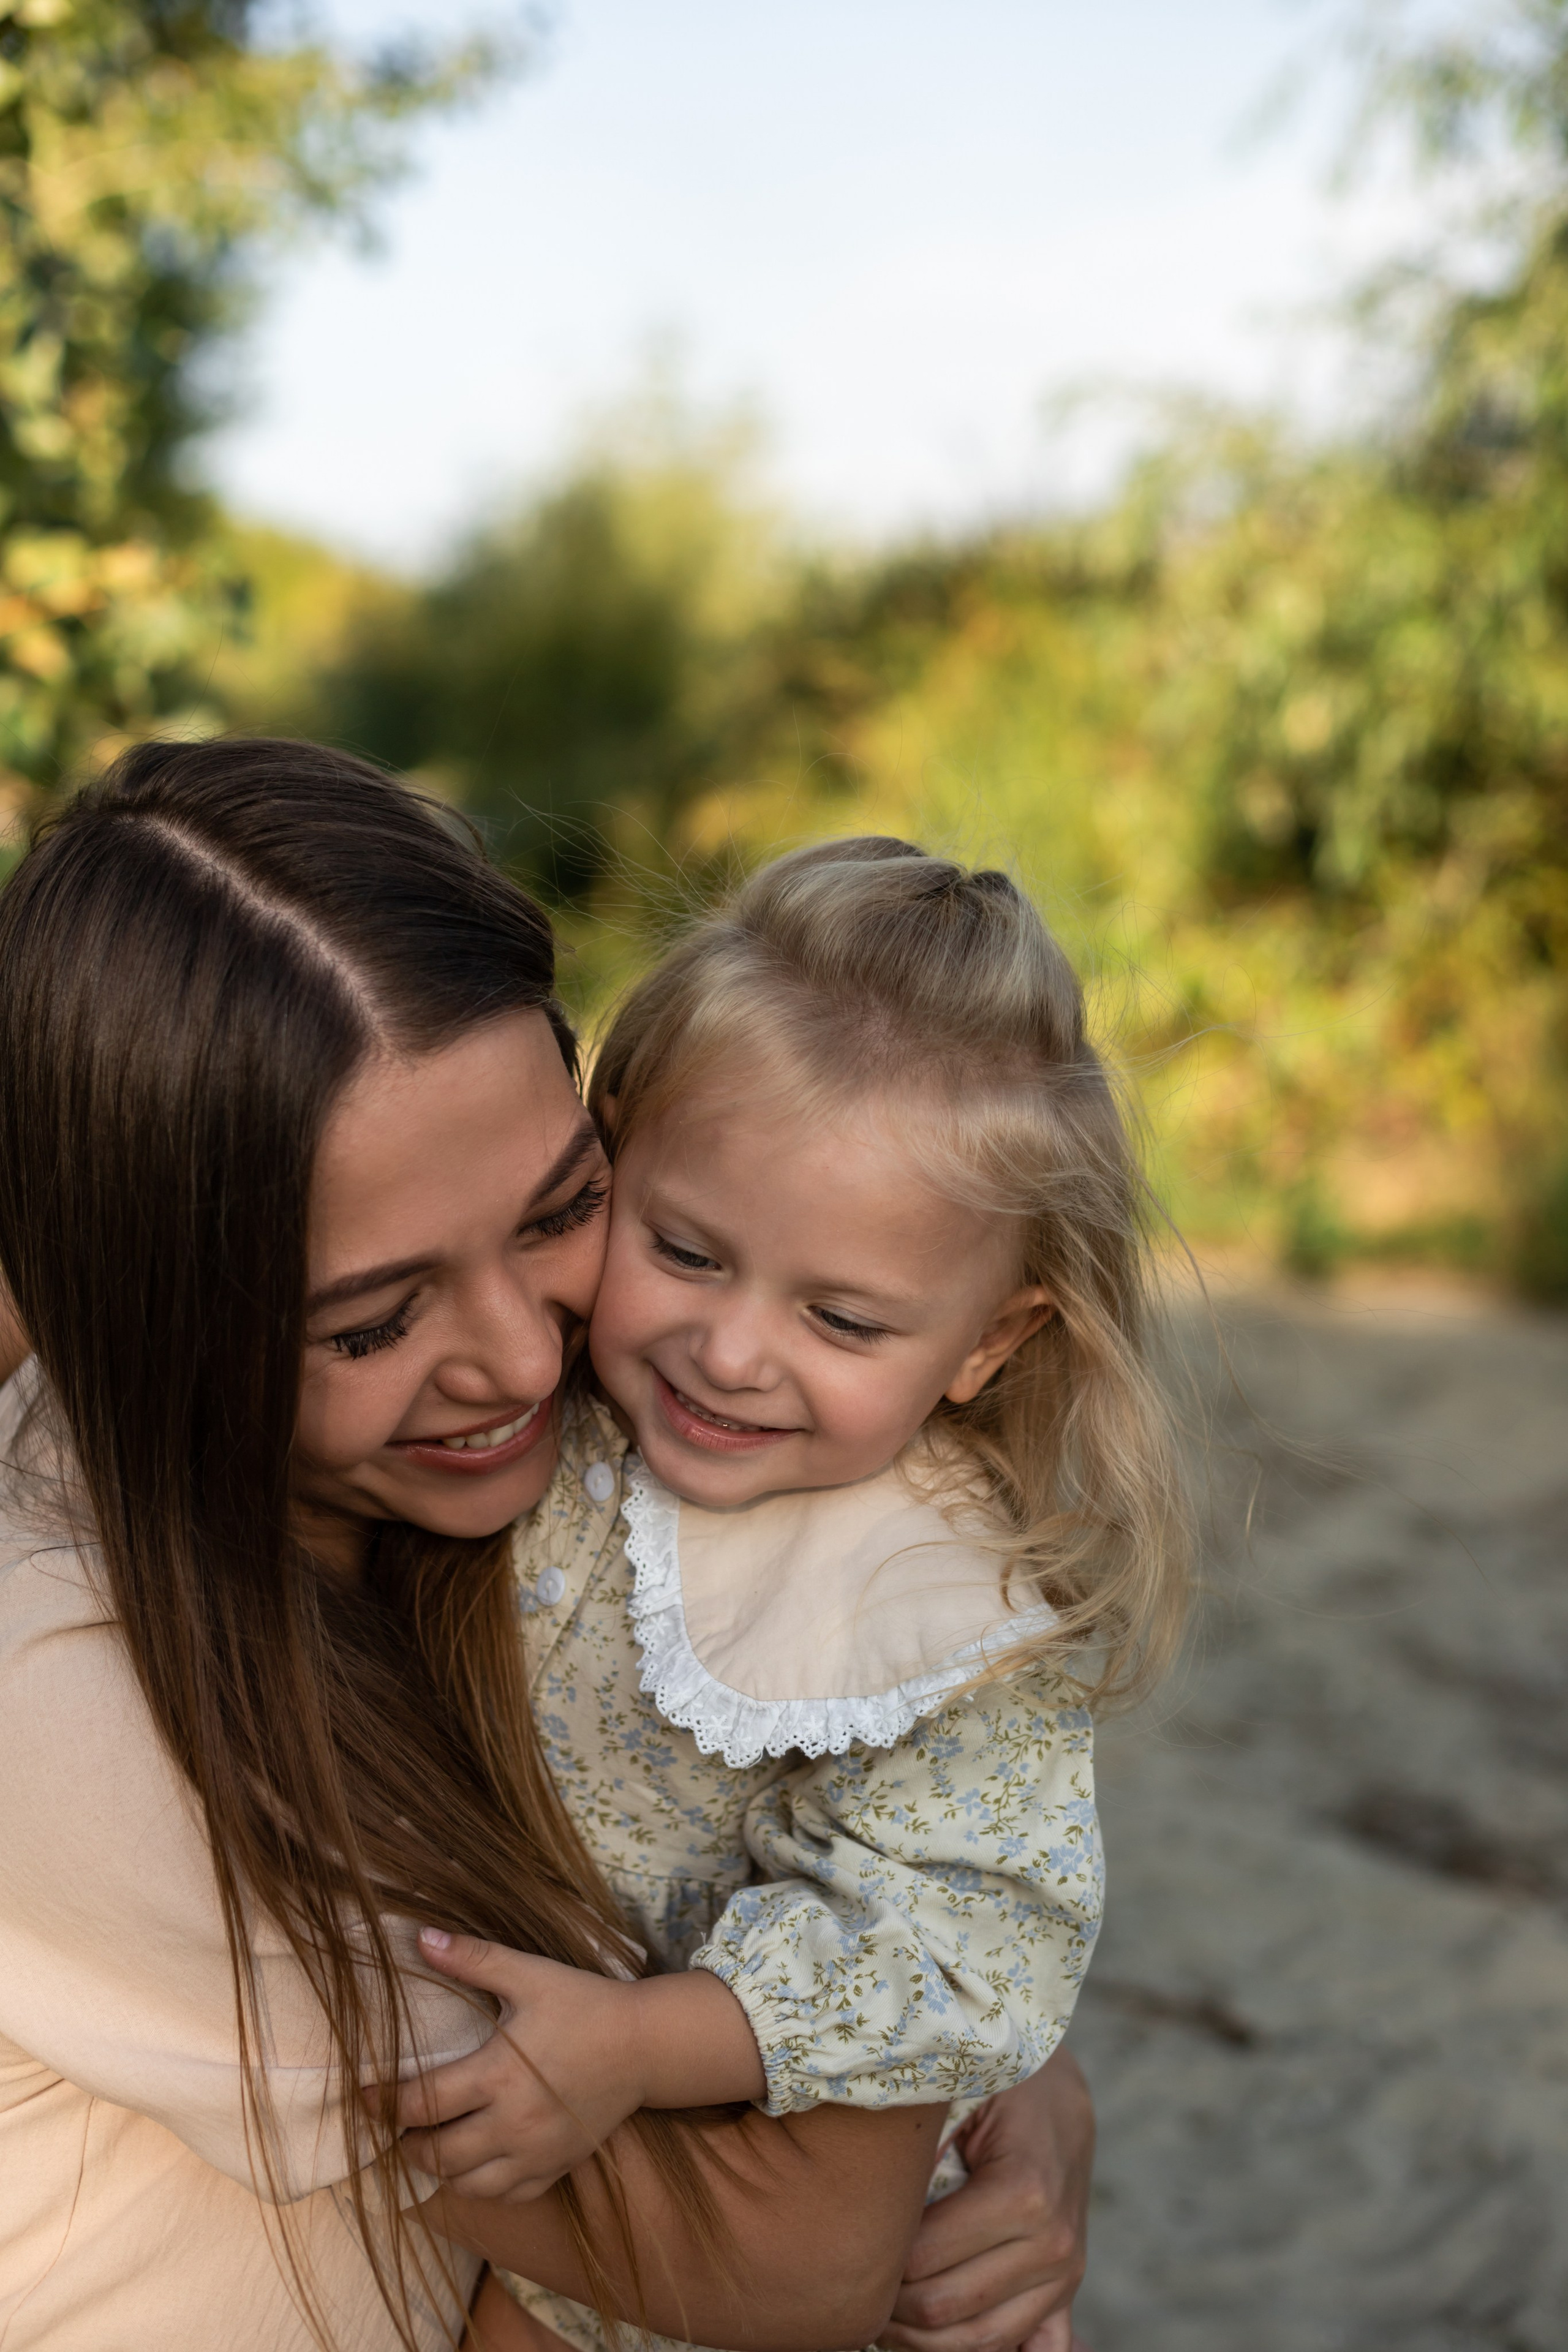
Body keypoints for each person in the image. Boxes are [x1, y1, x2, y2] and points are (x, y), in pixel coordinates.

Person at [0, 742, 1095, 2352]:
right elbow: (785, 2268)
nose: (521, 1362)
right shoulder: (70, 1686)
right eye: (372, 1323)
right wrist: (930, 2063)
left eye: (560, 1210)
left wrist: (1025, 2083)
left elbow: (845, 1846)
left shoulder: (556, 1468)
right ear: (142, 1315)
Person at [386, 840, 1187, 2352]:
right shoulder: (542, 1415)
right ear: (603, 1166)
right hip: (557, 2211)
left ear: (987, 1341)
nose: (732, 1351)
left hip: (764, 2198)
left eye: (839, 1315)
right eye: (684, 1251)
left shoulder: (940, 1603)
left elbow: (951, 1946)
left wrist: (641, 2043)